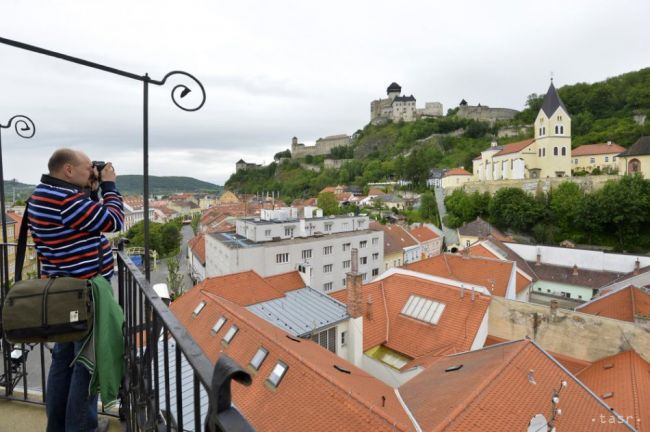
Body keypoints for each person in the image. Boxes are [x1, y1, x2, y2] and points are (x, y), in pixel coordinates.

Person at [27, 148, 124, 432]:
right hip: (84, 293)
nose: (91, 171)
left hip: (60, 288)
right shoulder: (67, 200)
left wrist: (91, 191)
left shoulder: (42, 194)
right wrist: (108, 186)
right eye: (86, 168)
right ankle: (82, 427)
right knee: (87, 363)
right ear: (68, 170)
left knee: (63, 360)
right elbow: (113, 221)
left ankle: (58, 426)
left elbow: (83, 224)